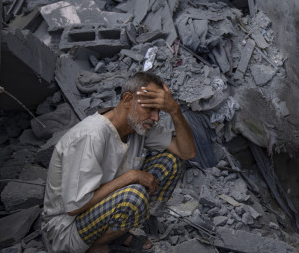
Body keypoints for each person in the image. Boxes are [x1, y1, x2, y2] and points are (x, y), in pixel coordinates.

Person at [42, 71, 197, 253]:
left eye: (159, 111)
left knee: (171, 161)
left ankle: (122, 230)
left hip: (103, 208)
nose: (155, 118)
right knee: (134, 196)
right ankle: (97, 245)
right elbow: (75, 206)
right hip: (66, 228)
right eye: (149, 109)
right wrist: (132, 176)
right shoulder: (91, 135)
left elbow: (187, 153)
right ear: (128, 100)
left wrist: (175, 110)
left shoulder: (138, 126)